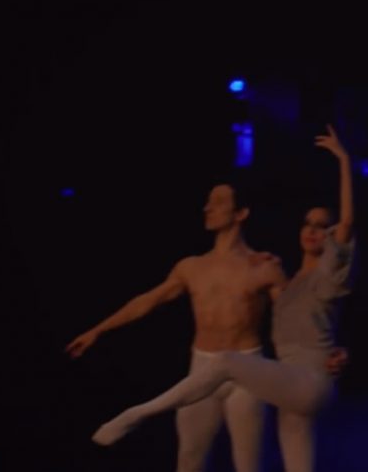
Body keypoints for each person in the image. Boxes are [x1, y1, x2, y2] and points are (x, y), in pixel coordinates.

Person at [92, 125, 355, 472]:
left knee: (228, 372)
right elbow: (315, 319)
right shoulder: (280, 276)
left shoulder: (307, 271)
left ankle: (137, 414)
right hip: (269, 377)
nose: (312, 230)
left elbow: (344, 232)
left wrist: (344, 159)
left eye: (322, 227)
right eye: (308, 224)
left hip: (284, 375)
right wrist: (98, 330)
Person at [67, 178, 285, 472]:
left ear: (241, 213)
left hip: (247, 369)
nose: (208, 208)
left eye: (218, 202)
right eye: (208, 201)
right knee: (190, 460)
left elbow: (294, 316)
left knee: (250, 465)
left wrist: (322, 355)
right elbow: (148, 301)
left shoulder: (264, 265)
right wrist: (98, 330)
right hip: (203, 368)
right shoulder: (191, 267)